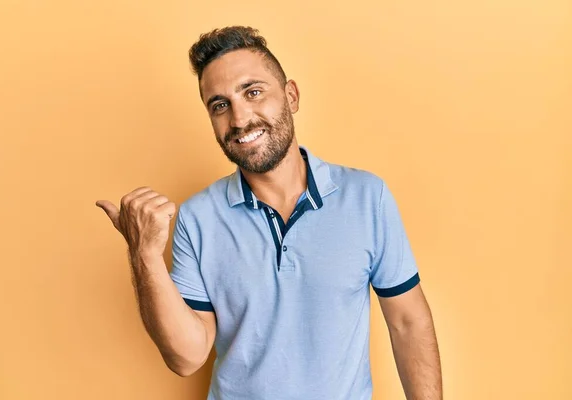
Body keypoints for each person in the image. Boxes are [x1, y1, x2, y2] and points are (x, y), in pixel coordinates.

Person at [96, 26, 442, 400]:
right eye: (220, 105)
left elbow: (408, 323)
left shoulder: (366, 197)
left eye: (253, 92)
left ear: (291, 96)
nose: (240, 119)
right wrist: (143, 255)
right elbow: (187, 357)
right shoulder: (197, 219)